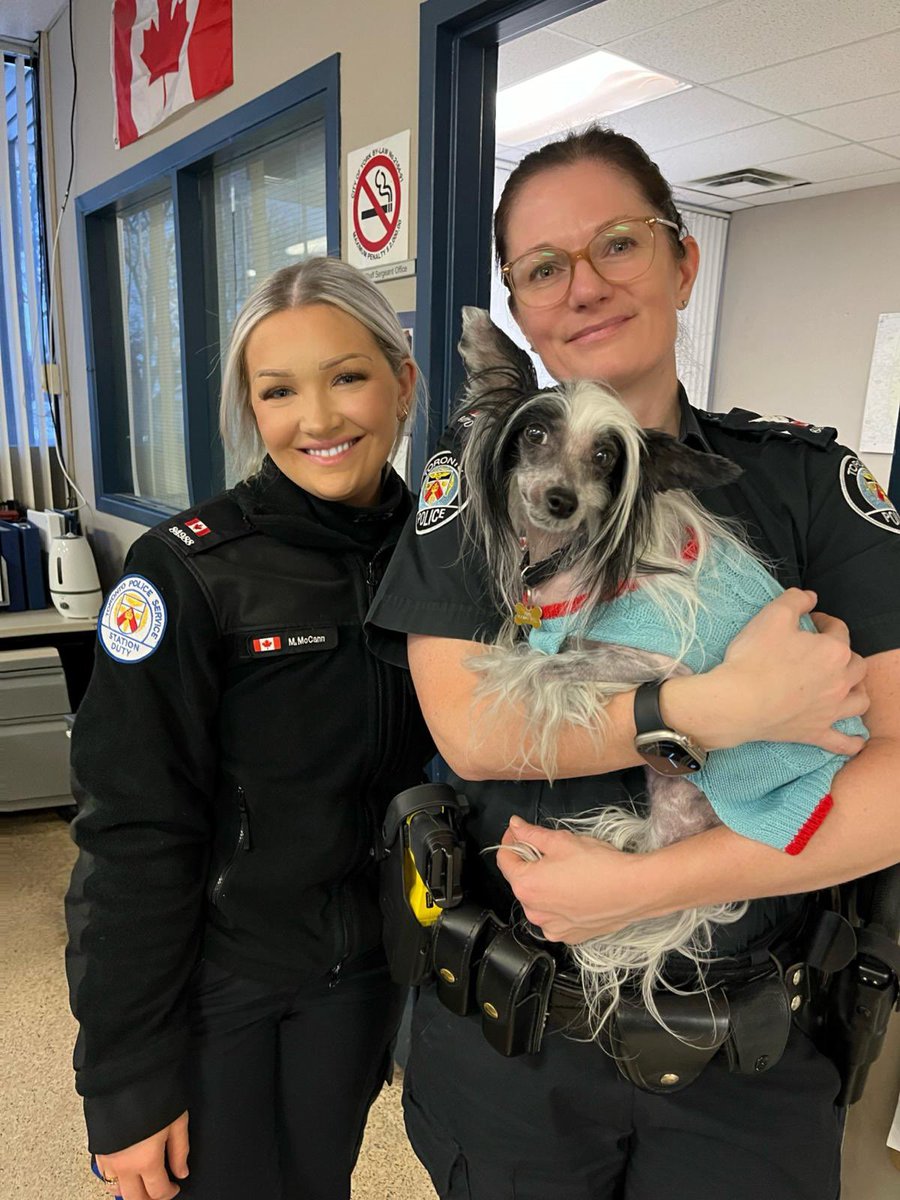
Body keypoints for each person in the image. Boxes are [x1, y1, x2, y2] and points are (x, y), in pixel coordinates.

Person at [366, 126, 900, 1199]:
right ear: (519, 309)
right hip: (516, 1047)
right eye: (543, 268)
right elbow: (475, 730)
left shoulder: (803, 483)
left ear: (683, 261)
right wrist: (718, 707)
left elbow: (893, 778)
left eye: (618, 243)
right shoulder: (485, 477)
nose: (584, 286)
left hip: (745, 1061)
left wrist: (649, 887)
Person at [65, 256, 434, 1200]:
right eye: (278, 391)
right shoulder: (188, 571)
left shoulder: (445, 559)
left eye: (347, 377)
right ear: (251, 409)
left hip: (366, 977)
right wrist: (124, 1075)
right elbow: (130, 827)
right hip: (222, 984)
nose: (318, 419)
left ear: (403, 383)